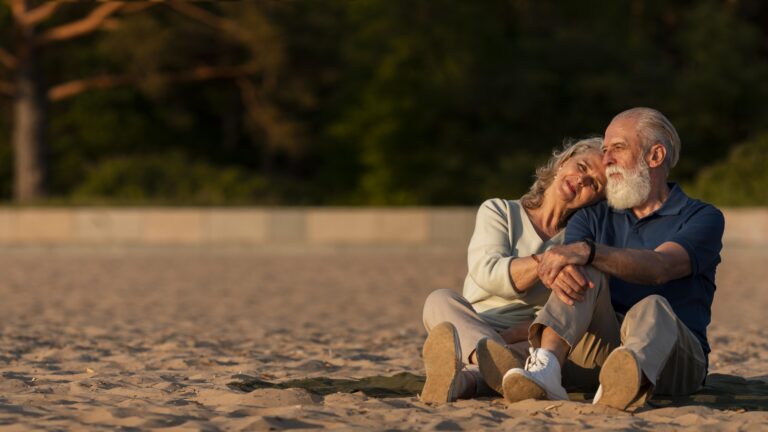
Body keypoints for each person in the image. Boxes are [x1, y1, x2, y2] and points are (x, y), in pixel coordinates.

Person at [501, 107, 725, 411]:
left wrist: (591, 252)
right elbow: (570, 271)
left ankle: (627, 379)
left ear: (655, 156)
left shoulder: (702, 217)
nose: (606, 160)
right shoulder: (592, 217)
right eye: (605, 150)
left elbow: (662, 267)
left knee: (652, 306)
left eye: (617, 148)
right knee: (584, 273)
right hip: (602, 348)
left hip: (677, 357)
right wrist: (575, 260)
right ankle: (547, 368)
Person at [420, 137, 607, 404]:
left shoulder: (581, 241)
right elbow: (488, 272)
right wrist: (549, 260)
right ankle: (493, 360)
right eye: (583, 166)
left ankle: (462, 380)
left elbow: (573, 307)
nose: (582, 180)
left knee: (539, 357)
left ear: (596, 200)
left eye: (594, 185)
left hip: (531, 334)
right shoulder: (499, 210)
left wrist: (524, 331)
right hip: (477, 322)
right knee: (439, 300)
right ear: (564, 161)